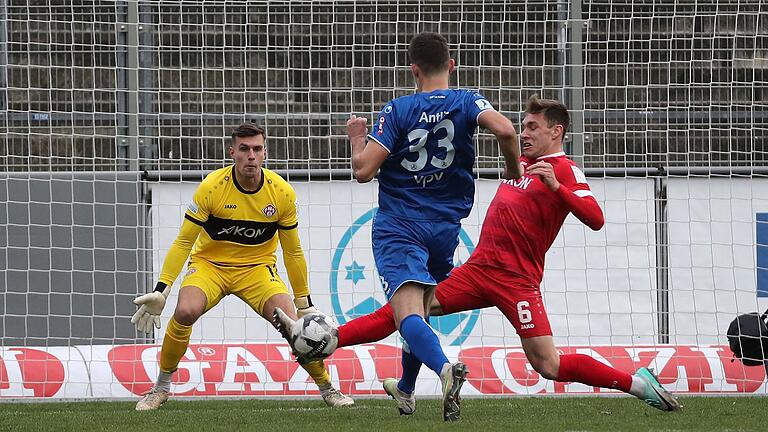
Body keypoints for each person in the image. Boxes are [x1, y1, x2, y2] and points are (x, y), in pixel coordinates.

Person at [284, 95, 682, 414]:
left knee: (548, 364)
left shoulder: (564, 170)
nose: (524, 133)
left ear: (556, 131)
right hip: (478, 270)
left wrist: (557, 188)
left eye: (532, 127)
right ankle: (352, 355)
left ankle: (637, 383)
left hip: (517, 282)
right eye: (522, 127)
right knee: (407, 313)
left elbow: (595, 218)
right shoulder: (521, 164)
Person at [275, 32, 521, 422]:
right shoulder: (467, 99)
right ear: (451, 65)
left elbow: (364, 170)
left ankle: (444, 369)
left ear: (413, 70)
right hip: (446, 227)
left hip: (401, 226)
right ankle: (406, 389)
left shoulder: (398, 109)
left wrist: (357, 139)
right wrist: (512, 167)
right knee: (419, 310)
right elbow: (507, 131)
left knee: (406, 311)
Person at [130, 122, 354, 410]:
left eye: (257, 149)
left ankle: (328, 388)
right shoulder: (212, 187)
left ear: (265, 153)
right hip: (210, 266)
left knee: (293, 325)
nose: (251, 155)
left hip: (257, 269)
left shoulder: (281, 193)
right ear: (232, 152)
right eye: (245, 149)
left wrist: (304, 303)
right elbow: (184, 242)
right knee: (185, 311)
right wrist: (162, 290)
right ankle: (160, 388)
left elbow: (293, 251)